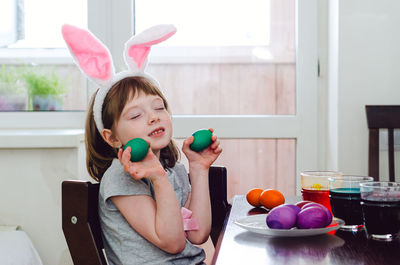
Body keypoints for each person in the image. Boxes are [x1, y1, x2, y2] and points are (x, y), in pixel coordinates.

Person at [62, 24, 222, 265]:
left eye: (159, 107)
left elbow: (197, 234)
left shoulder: (172, 169)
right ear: (112, 138)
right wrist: (158, 178)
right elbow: (173, 242)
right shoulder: (121, 176)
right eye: (136, 115)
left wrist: (198, 169)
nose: (154, 117)